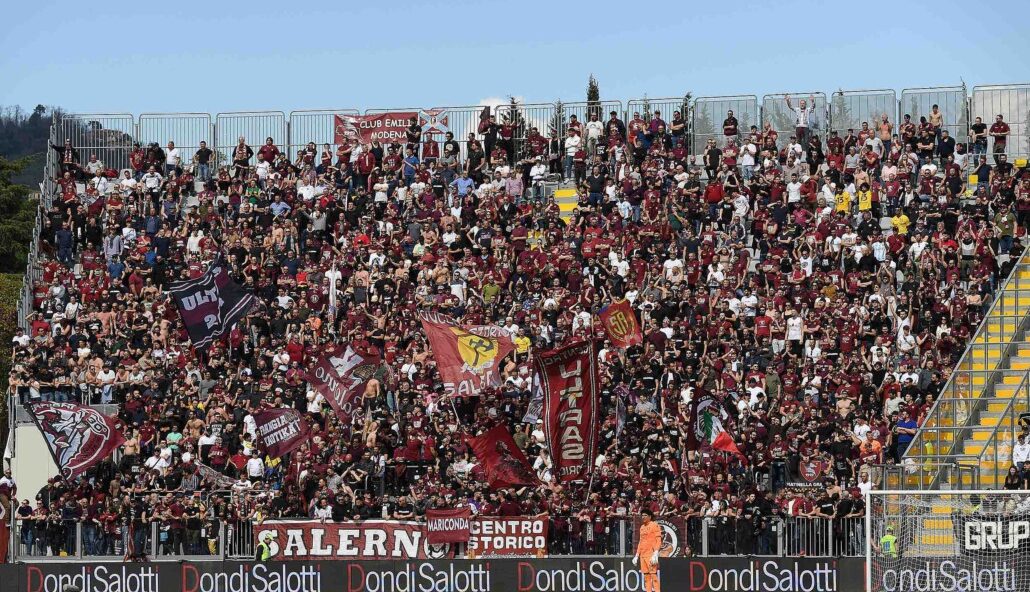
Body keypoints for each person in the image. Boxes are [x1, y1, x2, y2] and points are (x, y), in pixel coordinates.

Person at [634, 508, 661, 592]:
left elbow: (659, 540)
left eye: (645, 515)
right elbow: (640, 542)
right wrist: (636, 555)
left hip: (650, 555)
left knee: (653, 576)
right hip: (642, 555)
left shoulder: (654, 525)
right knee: (646, 576)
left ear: (650, 516)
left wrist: (655, 552)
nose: (643, 517)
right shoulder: (642, 527)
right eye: (642, 515)